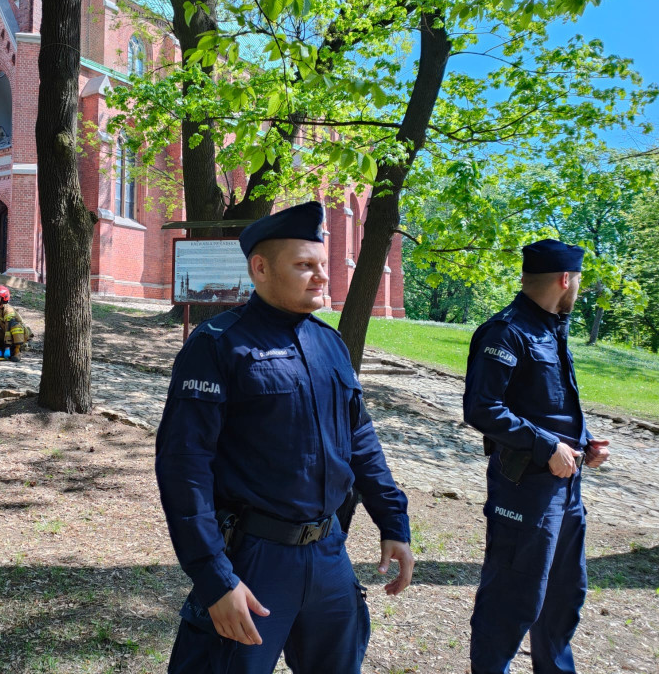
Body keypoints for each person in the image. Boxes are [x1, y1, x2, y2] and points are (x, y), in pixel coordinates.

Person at [156, 201, 414, 674]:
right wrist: (215, 580)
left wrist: (393, 522)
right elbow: (183, 466)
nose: (321, 277)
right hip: (253, 559)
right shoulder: (217, 345)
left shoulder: (330, 344)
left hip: (329, 554)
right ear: (260, 268)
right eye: (304, 266)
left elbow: (360, 439)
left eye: (321, 265)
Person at [464, 239, 611, 674]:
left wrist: (582, 443)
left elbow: (545, 405)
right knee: (513, 597)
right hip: (524, 491)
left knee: (565, 594)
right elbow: (482, 409)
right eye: (579, 280)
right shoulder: (506, 331)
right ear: (566, 279)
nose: (579, 288)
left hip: (567, 491)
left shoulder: (552, 328)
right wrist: (548, 446)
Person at [0, 285, 29, 362]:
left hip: (20, 334)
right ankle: (4, 350)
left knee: (15, 326)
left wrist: (7, 347)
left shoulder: (8, 310)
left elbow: (8, 328)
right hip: (7, 334)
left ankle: (17, 351)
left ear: (4, 298)